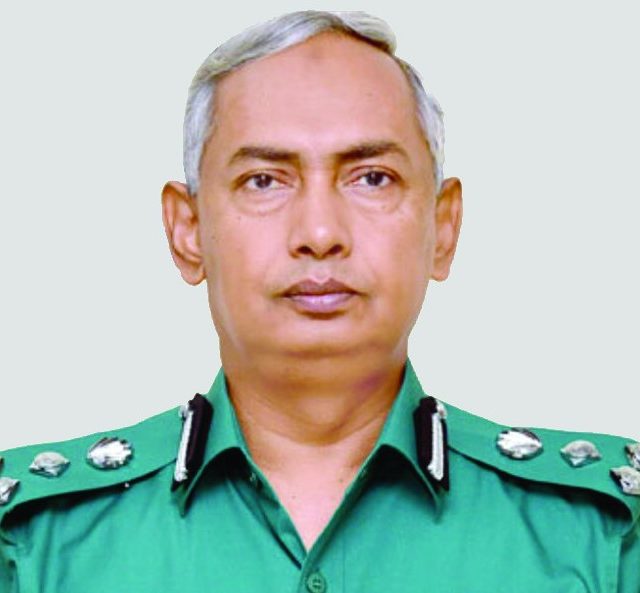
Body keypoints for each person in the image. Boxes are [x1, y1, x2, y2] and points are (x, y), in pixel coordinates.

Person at [0, 9, 638, 592]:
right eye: (264, 181)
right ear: (187, 231)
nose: (320, 232)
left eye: (372, 178)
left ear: (443, 227)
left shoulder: (603, 535)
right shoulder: (34, 545)